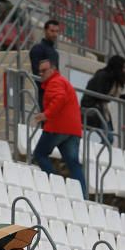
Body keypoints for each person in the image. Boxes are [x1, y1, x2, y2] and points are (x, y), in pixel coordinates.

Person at [32, 59, 87, 197]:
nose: (41, 73)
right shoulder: (63, 81)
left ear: (53, 69)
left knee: (39, 154)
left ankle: (57, 185)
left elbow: (60, 98)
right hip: (73, 130)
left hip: (57, 127)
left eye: (44, 70)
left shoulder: (54, 82)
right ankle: (83, 196)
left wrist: (46, 114)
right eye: (40, 71)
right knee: (73, 164)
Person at [80, 55, 125, 143]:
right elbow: (101, 95)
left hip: (102, 109)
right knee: (108, 138)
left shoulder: (114, 79)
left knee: (109, 139)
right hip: (93, 108)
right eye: (123, 67)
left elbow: (113, 97)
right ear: (118, 67)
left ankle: (98, 154)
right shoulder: (102, 76)